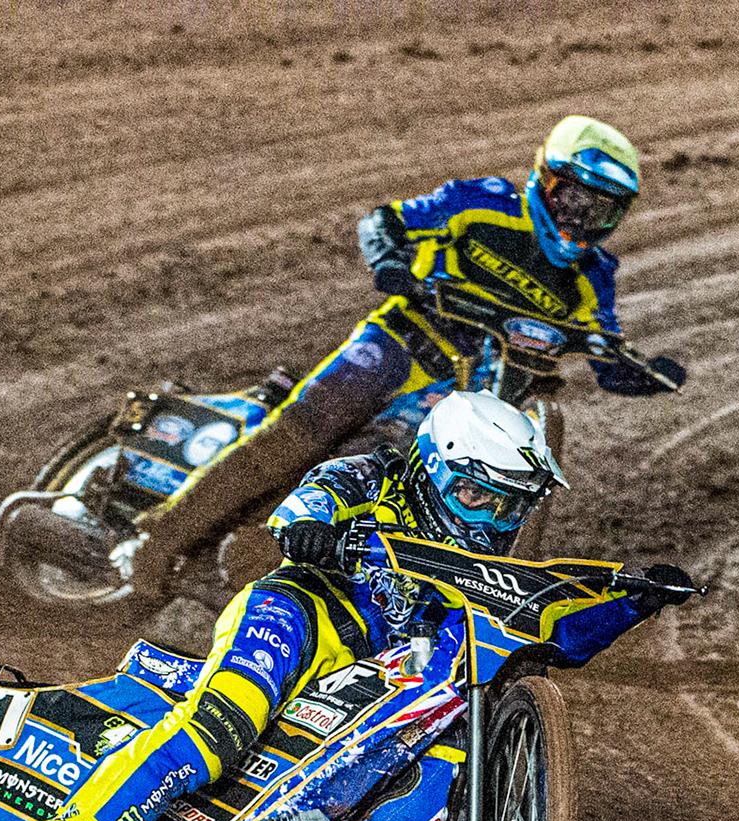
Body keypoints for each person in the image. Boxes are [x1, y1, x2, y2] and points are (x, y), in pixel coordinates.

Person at [13, 390, 688, 821]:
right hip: (299, 616)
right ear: (433, 467)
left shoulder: (484, 568)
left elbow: (558, 626)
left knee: (441, 768)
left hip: (381, 675)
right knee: (221, 726)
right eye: (476, 494)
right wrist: (314, 532)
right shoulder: (372, 473)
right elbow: (304, 507)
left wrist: (636, 599)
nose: (489, 520)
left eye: (509, 507)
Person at [124, 114, 687, 599]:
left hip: (463, 397)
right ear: (545, 178)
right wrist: (391, 262)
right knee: (302, 429)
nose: (581, 219)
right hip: (402, 340)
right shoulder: (482, 204)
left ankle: (270, 566)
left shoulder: (594, 277)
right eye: (574, 199)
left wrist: (645, 375)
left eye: (601, 211)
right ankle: (159, 538)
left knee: (388, 483)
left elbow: (608, 355)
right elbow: (385, 222)